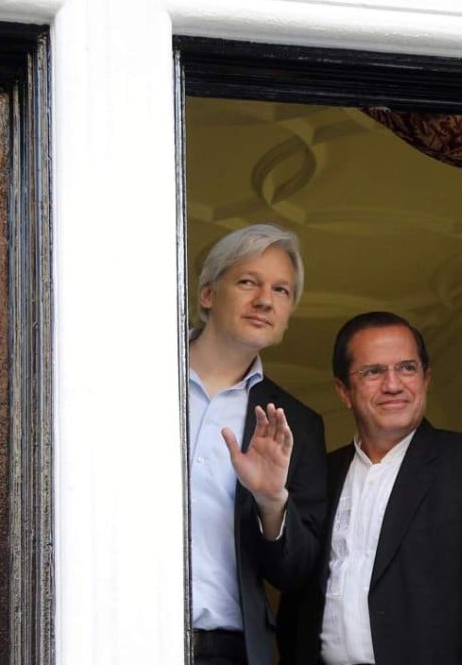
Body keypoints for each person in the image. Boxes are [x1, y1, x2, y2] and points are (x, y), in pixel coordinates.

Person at [277, 311, 462, 665]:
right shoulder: (322, 473)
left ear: (426, 378)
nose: (393, 384)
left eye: (407, 368)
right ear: (343, 391)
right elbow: (294, 594)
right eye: (373, 372)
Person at [188, 224, 327, 665]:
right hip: (111, 626)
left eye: (282, 290)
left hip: (224, 648)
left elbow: (296, 574)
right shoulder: (135, 379)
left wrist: (272, 502)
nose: (265, 299)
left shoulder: (296, 424)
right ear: (208, 293)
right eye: (248, 281)